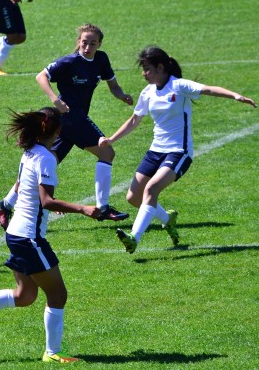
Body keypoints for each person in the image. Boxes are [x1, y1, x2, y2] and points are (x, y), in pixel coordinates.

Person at [0, 107, 101, 363]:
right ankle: (52, 353)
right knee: (58, 295)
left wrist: (6, 206)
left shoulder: (29, 152)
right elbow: (47, 201)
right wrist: (84, 209)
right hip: (29, 237)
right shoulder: (46, 157)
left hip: (15, 233)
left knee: (25, 296)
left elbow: (22, 186)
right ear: (57, 131)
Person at [99, 46, 256, 253]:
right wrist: (111, 139)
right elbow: (134, 120)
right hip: (156, 151)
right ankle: (167, 218)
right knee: (133, 198)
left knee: (151, 189)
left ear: (160, 67)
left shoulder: (179, 86)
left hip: (179, 152)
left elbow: (208, 89)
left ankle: (134, 238)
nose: (143, 73)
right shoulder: (148, 92)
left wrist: (235, 96)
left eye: (147, 69)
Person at [0, 24, 132, 229]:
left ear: (99, 44)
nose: (88, 47)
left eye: (93, 43)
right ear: (79, 42)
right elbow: (41, 76)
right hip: (70, 118)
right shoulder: (69, 62)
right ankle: (103, 208)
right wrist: (55, 100)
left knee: (45, 164)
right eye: (84, 42)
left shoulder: (101, 59)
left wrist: (122, 96)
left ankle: (5, 204)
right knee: (107, 153)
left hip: (71, 122)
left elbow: (114, 85)